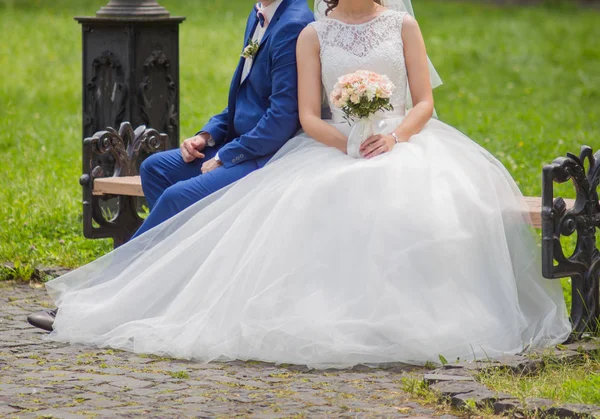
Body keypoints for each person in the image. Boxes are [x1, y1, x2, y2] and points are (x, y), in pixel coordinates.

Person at [29, 0, 571, 369]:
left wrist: (395, 138)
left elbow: (426, 102)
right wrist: (345, 143)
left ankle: (124, 294)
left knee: (408, 204)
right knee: (174, 177)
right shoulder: (314, 31)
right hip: (331, 145)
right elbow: (310, 116)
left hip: (400, 145)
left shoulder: (401, 26)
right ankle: (143, 287)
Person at [27, 0, 314, 331]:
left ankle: (99, 298)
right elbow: (241, 100)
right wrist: (206, 136)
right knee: (155, 169)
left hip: (266, 157)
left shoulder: (293, 23)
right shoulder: (259, 13)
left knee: (178, 197)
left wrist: (225, 155)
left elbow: (282, 117)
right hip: (238, 144)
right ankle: (172, 285)